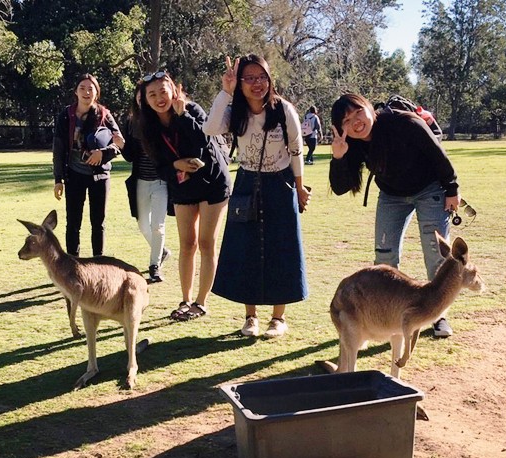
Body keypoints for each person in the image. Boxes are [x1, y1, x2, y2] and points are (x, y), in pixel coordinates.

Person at [328, 93, 461, 338]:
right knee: (384, 256)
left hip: (429, 188)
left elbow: (437, 154)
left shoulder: (404, 123)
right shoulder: (353, 144)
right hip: (392, 196)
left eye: (358, 112)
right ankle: (388, 316)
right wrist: (338, 157)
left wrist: (452, 189)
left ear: (369, 107)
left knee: (436, 254)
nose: (356, 121)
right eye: (346, 121)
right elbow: (340, 187)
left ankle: (439, 317)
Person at [205, 54, 310, 338]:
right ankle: (250, 317)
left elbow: (296, 149)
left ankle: (278, 318)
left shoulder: (283, 110)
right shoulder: (234, 111)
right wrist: (225, 91)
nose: (256, 83)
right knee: (246, 248)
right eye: (249, 78)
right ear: (240, 83)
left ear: (269, 78)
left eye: (261, 77)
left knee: (281, 247)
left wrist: (299, 187)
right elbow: (210, 128)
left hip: (280, 183)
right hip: (247, 182)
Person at [136, 71, 231, 320]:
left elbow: (203, 140)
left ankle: (200, 302)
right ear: (145, 100)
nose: (159, 98)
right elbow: (159, 165)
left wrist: (182, 115)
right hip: (183, 185)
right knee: (187, 243)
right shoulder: (148, 126)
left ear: (173, 90)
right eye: (152, 94)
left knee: (206, 243)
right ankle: (185, 299)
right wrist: (177, 165)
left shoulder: (192, 110)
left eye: (163, 91)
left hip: (212, 182)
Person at [53, 73, 124, 257]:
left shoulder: (104, 115)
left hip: (99, 176)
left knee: (98, 223)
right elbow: (59, 149)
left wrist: (104, 153)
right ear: (76, 92)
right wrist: (58, 179)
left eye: (90, 88)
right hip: (74, 175)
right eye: (82, 88)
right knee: (73, 222)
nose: (86, 92)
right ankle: (72, 264)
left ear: (96, 92)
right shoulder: (66, 116)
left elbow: (120, 143)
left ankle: (98, 262)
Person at [122, 85, 171, 283]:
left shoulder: (161, 119)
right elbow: (130, 156)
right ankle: (162, 251)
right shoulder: (131, 122)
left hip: (161, 182)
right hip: (141, 181)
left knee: (158, 226)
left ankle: (154, 266)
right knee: (143, 225)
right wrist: (120, 143)